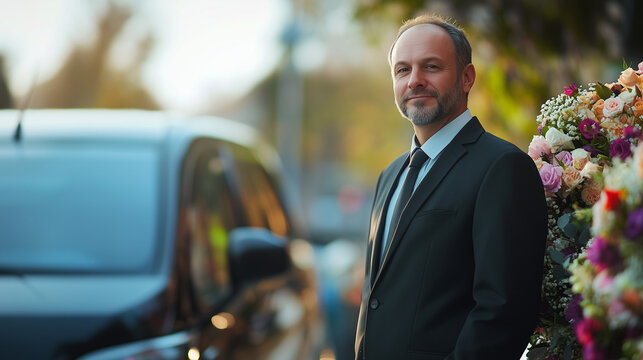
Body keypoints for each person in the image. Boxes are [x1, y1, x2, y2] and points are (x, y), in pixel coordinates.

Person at [354, 14, 547, 360]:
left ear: (467, 76)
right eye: (402, 70)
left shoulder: (502, 167)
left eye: (431, 66)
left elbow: (503, 311)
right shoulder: (390, 175)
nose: (415, 81)